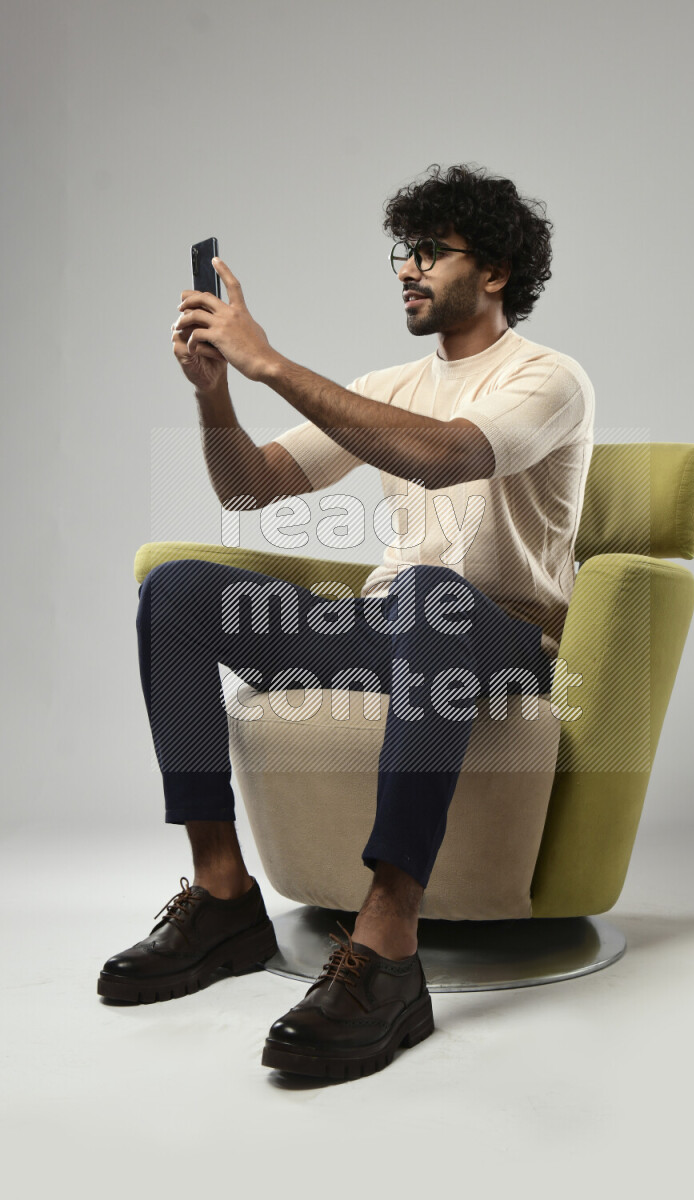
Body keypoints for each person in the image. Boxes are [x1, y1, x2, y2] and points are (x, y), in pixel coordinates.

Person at [97, 163, 595, 1081]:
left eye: (432, 252)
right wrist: (216, 390)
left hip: (499, 638)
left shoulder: (549, 378)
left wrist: (273, 363)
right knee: (177, 592)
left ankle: (388, 945)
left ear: (494, 271)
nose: (407, 268)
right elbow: (249, 487)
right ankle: (222, 895)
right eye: (403, 251)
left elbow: (448, 458)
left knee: (430, 599)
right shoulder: (389, 385)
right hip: (391, 627)